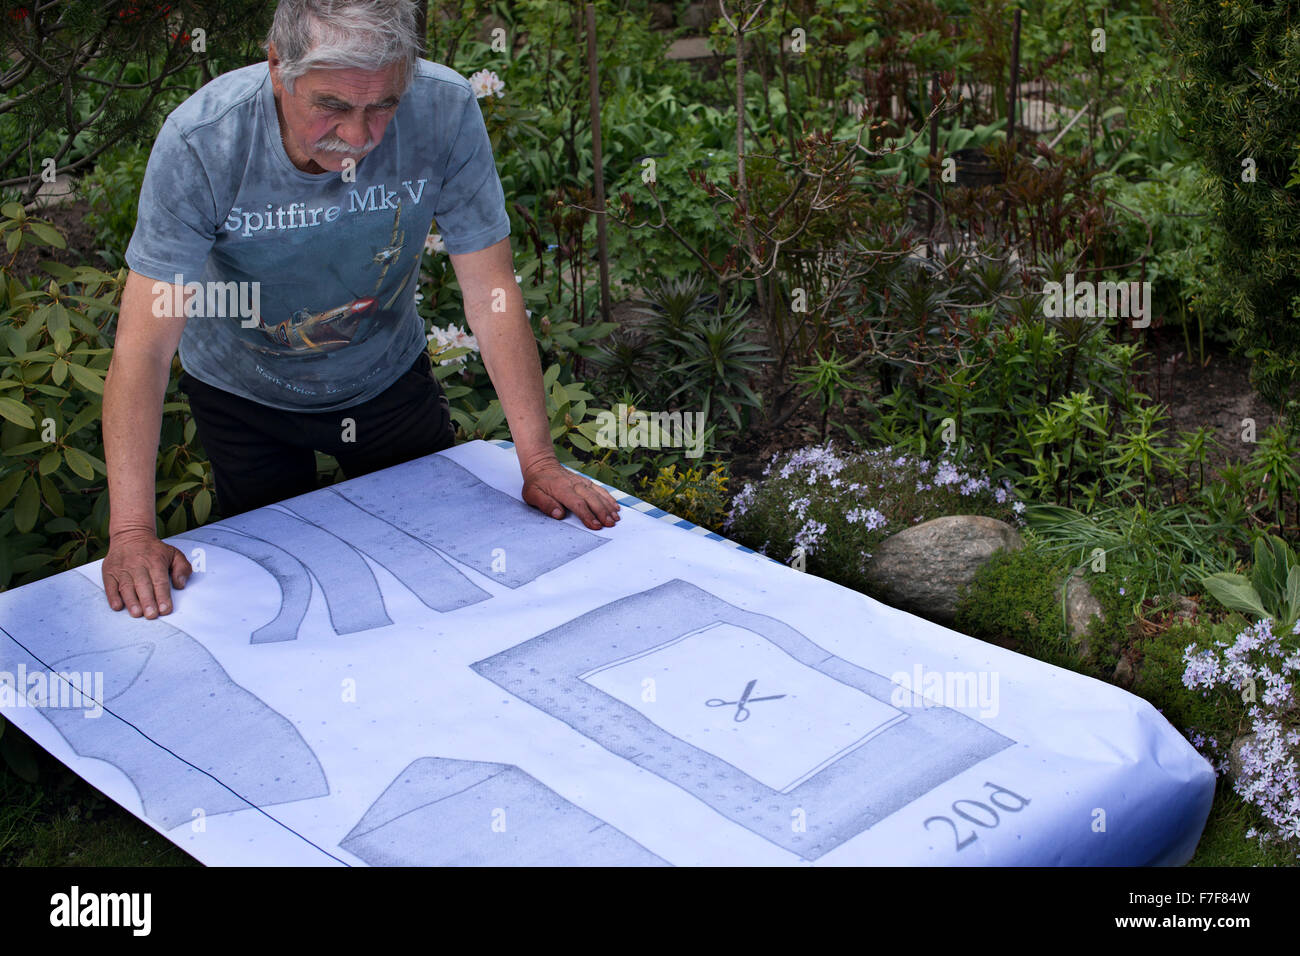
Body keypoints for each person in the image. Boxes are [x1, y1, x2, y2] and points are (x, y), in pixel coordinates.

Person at [100, 0, 620, 620]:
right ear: (276, 67)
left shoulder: (444, 109)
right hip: (244, 390)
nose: (358, 137)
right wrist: (131, 533)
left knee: (442, 566)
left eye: (383, 105)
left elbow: (491, 294)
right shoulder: (204, 141)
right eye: (331, 106)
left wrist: (537, 462)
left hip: (386, 375)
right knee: (282, 583)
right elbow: (143, 347)